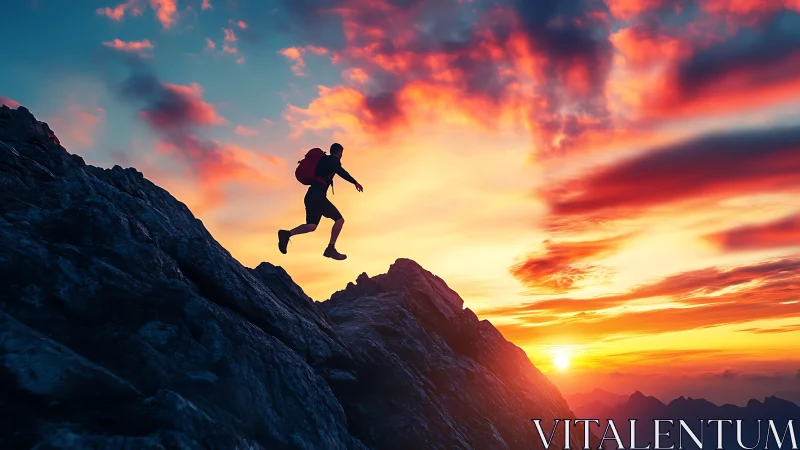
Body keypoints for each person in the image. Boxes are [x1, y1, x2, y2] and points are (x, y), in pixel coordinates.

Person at [278, 143, 363, 260]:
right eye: (341, 153)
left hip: (311, 196)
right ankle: (330, 248)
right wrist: (355, 182)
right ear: (339, 152)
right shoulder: (333, 160)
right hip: (318, 196)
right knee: (339, 220)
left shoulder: (324, 161)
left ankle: (286, 234)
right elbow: (341, 171)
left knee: (311, 226)